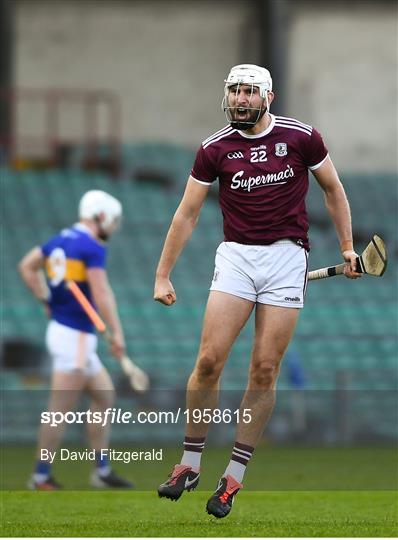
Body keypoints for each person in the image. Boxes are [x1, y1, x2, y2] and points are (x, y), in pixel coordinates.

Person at [153, 64, 361, 518]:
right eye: (234, 91)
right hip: (236, 257)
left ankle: (232, 478)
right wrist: (163, 273)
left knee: (264, 370)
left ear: (269, 96)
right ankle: (188, 464)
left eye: (249, 91)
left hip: (288, 257)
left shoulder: (302, 137)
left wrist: (346, 248)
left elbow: (333, 190)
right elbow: (187, 214)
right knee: (208, 362)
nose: (240, 99)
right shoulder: (214, 148)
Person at [19, 189, 133, 490]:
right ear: (101, 216)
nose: (113, 226)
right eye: (113, 220)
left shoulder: (59, 240)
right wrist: (117, 333)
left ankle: (102, 471)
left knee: (104, 396)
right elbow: (102, 292)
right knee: (59, 409)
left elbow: (27, 267)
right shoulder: (90, 245)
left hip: (72, 334)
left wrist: (46, 299)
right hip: (74, 339)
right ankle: (40, 476)